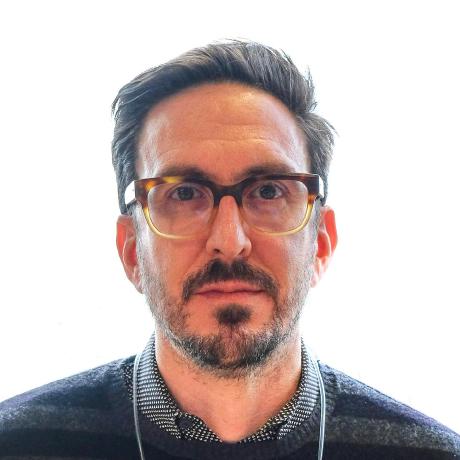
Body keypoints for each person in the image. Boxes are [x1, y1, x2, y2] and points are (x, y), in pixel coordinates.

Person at [0, 40, 459, 460]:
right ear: (132, 251)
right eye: (184, 194)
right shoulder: (18, 444)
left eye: (268, 191)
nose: (230, 240)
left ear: (320, 241)